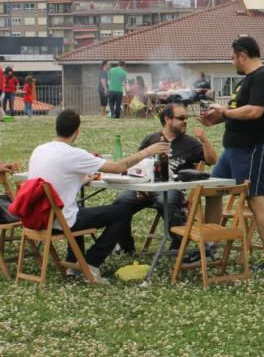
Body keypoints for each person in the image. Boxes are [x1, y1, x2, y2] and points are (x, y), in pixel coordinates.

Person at [26, 109, 169, 282]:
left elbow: (55, 178)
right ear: (78, 131)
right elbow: (118, 167)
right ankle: (91, 263)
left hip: (40, 217)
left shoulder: (39, 150)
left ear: (56, 127)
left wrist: (81, 180)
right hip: (61, 221)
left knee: (78, 209)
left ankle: (74, 264)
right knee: (122, 212)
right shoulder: (73, 154)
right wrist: (147, 152)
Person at [199, 36, 264, 271]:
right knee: (212, 190)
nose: (231, 61)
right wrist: (215, 118)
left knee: (256, 199)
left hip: (254, 148)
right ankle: (211, 246)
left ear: (243, 56)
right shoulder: (245, 81)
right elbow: (236, 111)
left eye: (233, 57)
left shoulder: (263, 78)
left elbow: (254, 111)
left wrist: (224, 112)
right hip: (233, 150)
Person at [115, 103, 218, 256]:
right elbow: (138, 164)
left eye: (186, 118)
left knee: (167, 201)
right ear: (167, 119)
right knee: (120, 203)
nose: (185, 121)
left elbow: (211, 160)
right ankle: (126, 247)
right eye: (181, 118)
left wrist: (205, 140)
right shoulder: (151, 139)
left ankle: (177, 246)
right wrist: (139, 186)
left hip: (172, 188)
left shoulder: (190, 143)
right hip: (146, 187)